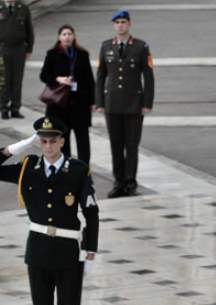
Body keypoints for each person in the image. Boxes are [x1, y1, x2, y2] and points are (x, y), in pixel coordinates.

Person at [0, 117, 99, 305]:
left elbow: (91, 213)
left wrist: (90, 251)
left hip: (68, 252)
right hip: (39, 252)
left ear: (62, 142)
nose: (47, 146)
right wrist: (17, 148)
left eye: (52, 141)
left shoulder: (77, 170)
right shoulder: (28, 168)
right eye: (42, 141)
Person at [95, 10, 154, 198]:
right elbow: (100, 77)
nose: (120, 25)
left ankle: (130, 183)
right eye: (117, 22)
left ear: (129, 25)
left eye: (123, 22)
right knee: (116, 145)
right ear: (113, 25)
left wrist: (147, 102)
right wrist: (99, 102)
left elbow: (148, 77)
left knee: (131, 145)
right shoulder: (105, 47)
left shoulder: (140, 47)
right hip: (112, 104)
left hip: (133, 104)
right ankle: (118, 182)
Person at [39, 25, 96, 164]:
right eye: (64, 34)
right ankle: (65, 170)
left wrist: (93, 101)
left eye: (69, 34)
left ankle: (84, 170)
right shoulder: (52, 54)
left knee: (82, 139)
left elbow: (89, 79)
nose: (67, 37)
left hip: (79, 103)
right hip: (59, 104)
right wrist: (58, 79)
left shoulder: (81, 54)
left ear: (74, 36)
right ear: (59, 37)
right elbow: (44, 75)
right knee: (63, 140)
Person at [0, 0, 34, 119]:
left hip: (19, 48)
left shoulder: (23, 8)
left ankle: (15, 108)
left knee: (17, 80)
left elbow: (29, 30)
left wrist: (29, 48)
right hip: (3, 48)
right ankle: (3, 107)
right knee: (5, 80)